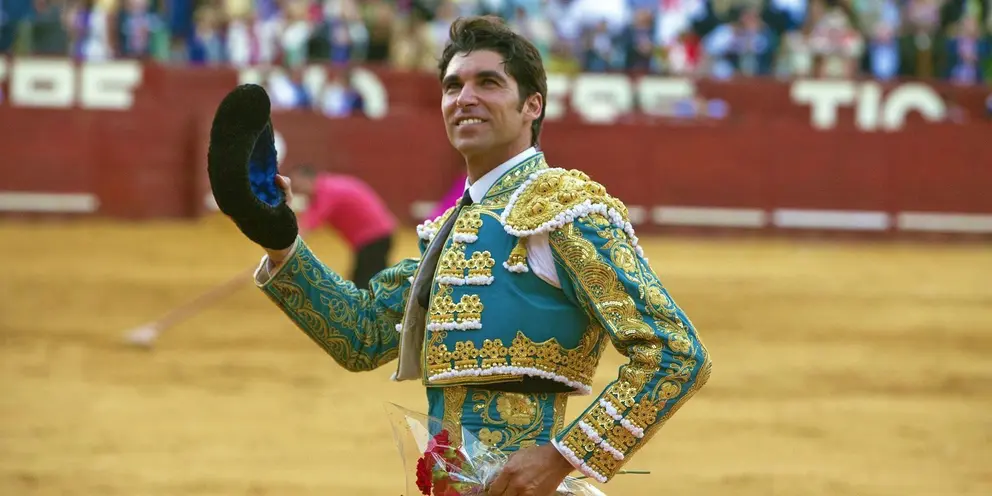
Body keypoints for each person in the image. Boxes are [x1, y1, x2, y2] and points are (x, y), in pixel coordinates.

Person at [248, 16, 712, 496]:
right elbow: (361, 336)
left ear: (532, 105)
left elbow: (676, 353)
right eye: (453, 86)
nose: (464, 97)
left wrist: (564, 456)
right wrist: (280, 240)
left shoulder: (563, 210)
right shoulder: (454, 227)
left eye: (488, 82)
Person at [285, 163, 397, 290]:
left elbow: (305, 228)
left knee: (364, 286)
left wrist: (282, 254)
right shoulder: (328, 185)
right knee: (372, 283)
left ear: (307, 179)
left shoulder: (325, 191)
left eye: (297, 183)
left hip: (374, 238)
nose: (295, 188)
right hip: (377, 236)